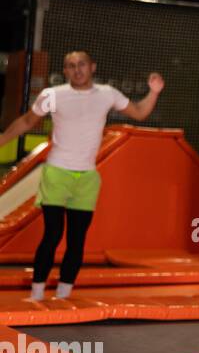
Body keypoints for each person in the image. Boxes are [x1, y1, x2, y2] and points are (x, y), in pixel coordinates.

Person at [0, 51, 164, 302]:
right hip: (57, 172)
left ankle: (63, 295)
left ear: (92, 67)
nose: (77, 70)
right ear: (65, 71)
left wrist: (154, 92)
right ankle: (36, 294)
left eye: (82, 65)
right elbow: (27, 121)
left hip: (87, 177)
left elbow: (139, 113)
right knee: (53, 234)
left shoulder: (107, 94)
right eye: (71, 66)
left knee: (77, 239)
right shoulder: (53, 95)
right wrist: (2, 140)